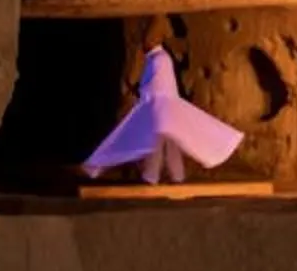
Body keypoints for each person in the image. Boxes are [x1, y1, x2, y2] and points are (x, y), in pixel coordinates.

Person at [82, 34, 245, 187]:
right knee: (168, 142)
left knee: (156, 142)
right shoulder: (155, 58)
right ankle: (175, 176)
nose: (144, 45)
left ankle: (153, 176)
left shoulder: (159, 59)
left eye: (146, 41)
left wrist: (143, 92)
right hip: (163, 110)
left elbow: (159, 85)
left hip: (162, 110)